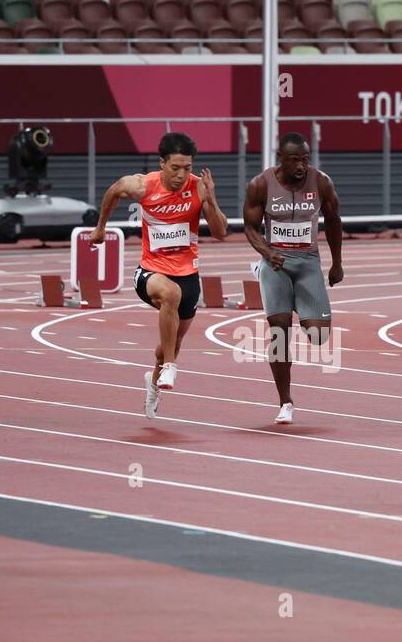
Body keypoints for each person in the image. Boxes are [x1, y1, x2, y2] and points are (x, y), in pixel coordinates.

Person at [92, 132, 227, 418]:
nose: (181, 175)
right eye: (175, 168)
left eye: (187, 168)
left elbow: (221, 233)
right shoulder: (142, 185)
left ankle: (153, 380)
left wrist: (211, 201)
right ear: (162, 163)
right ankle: (170, 366)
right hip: (149, 271)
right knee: (170, 295)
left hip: (188, 274)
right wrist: (100, 227)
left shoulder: (199, 188)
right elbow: (114, 190)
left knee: (172, 342)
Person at [242, 133, 343, 425]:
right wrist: (266, 252)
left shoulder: (321, 182)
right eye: (295, 160)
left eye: (305, 160)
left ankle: (300, 299)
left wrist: (337, 263)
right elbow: (249, 226)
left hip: (308, 261)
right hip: (275, 263)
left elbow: (334, 220)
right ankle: (285, 400)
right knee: (280, 330)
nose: (301, 166)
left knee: (319, 335)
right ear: (281, 159)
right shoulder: (260, 185)